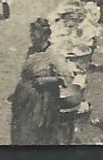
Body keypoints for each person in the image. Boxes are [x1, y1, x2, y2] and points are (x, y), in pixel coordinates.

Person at [9, 17, 67, 145]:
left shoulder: (53, 54)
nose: (32, 38)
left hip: (42, 103)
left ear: (45, 35)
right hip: (24, 100)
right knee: (19, 133)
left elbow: (65, 78)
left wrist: (45, 80)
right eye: (31, 34)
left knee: (36, 135)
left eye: (35, 34)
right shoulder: (31, 51)